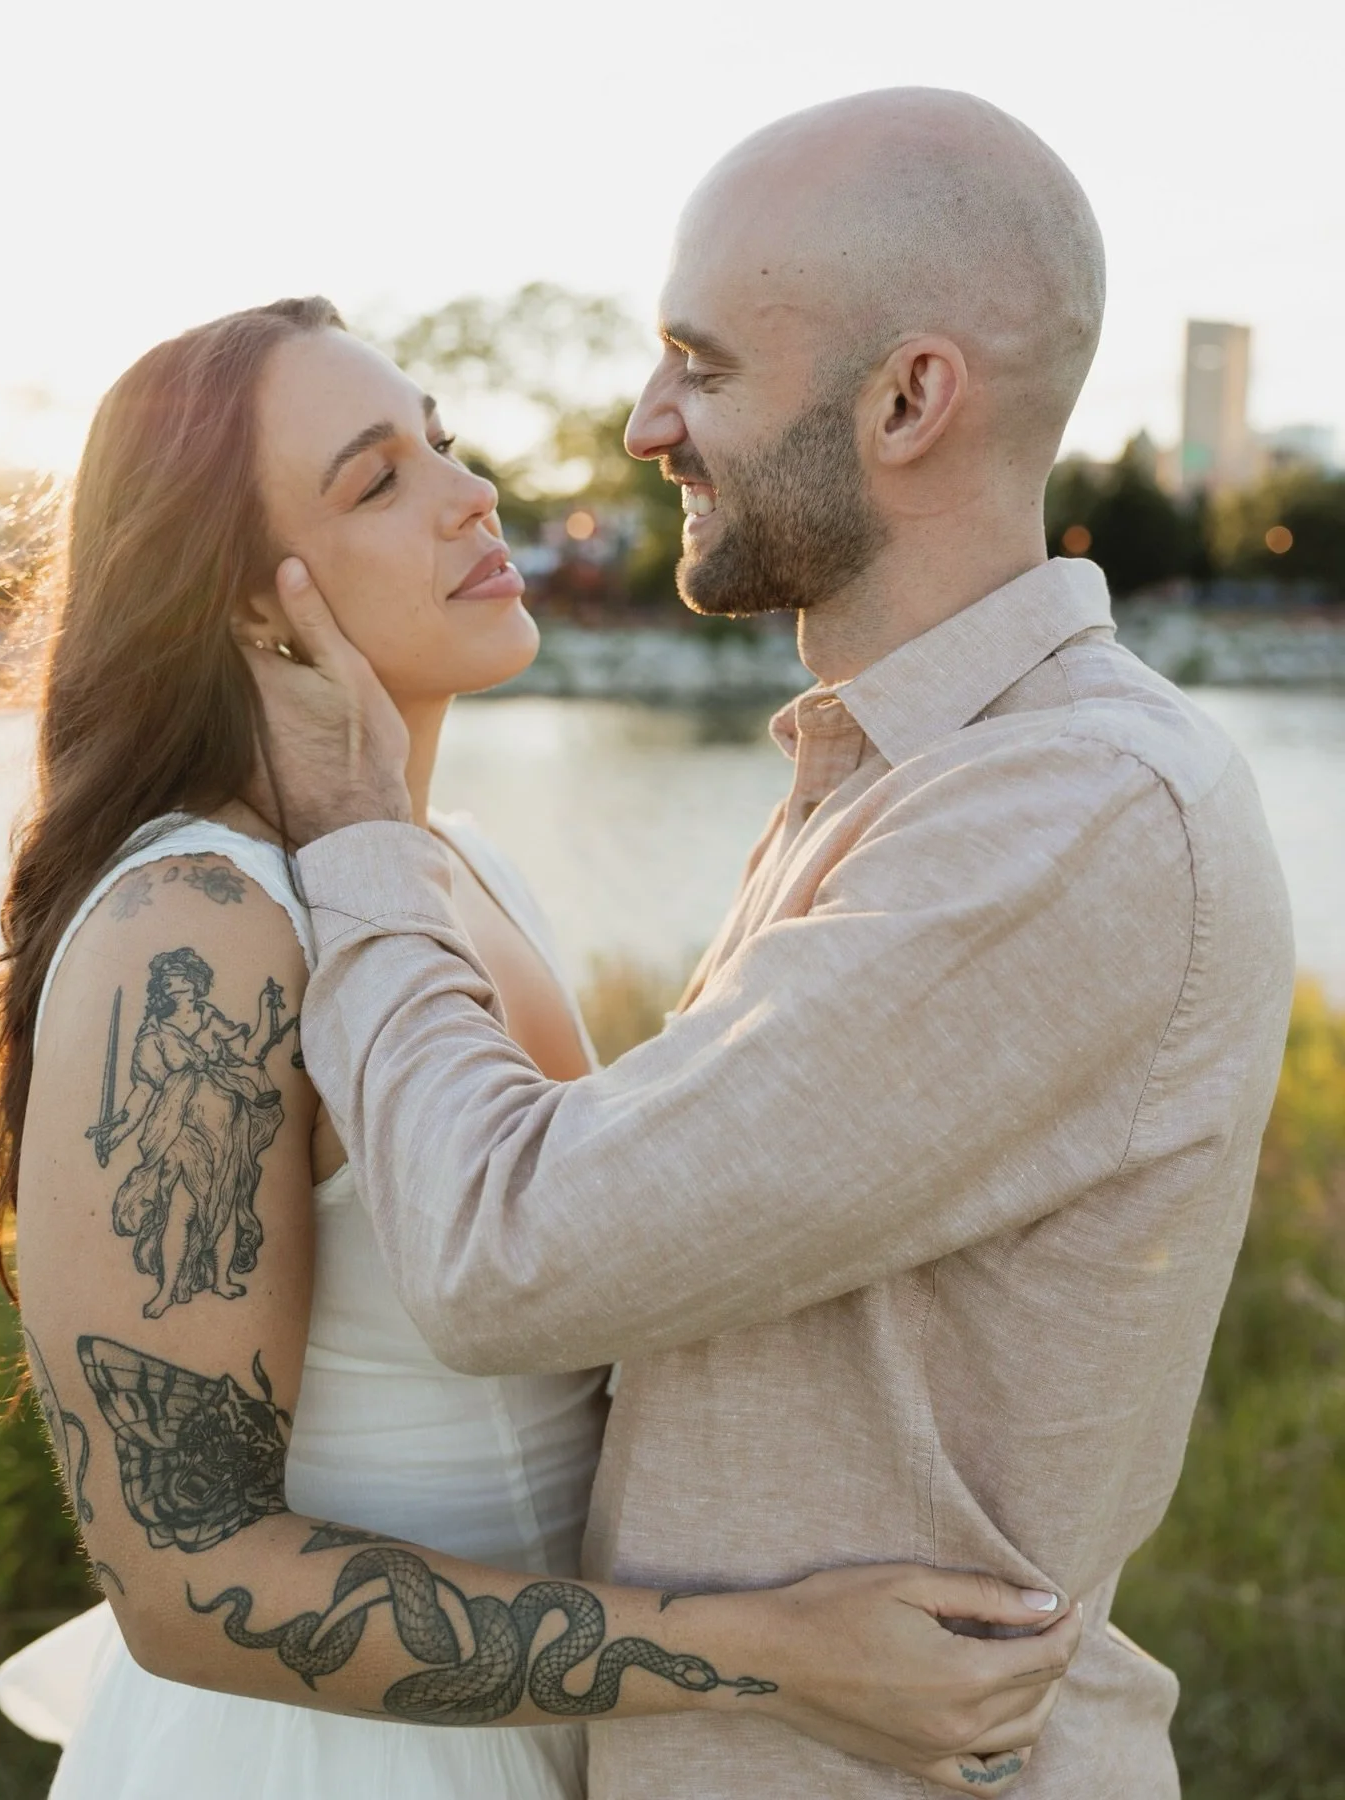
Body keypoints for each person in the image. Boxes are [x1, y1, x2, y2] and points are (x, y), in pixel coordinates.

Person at [242, 90, 1298, 1799]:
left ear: (908, 399)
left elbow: (511, 1251)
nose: (649, 419)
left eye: (704, 365)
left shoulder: (1066, 815)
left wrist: (364, 841)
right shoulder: (896, 770)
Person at [0, 296, 1078, 1800]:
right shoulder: (197, 930)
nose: (470, 493)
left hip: (569, 1749)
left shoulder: (464, 869)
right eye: (376, 481)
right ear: (245, 604)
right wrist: (780, 1651)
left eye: (442, 443)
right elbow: (184, 1579)